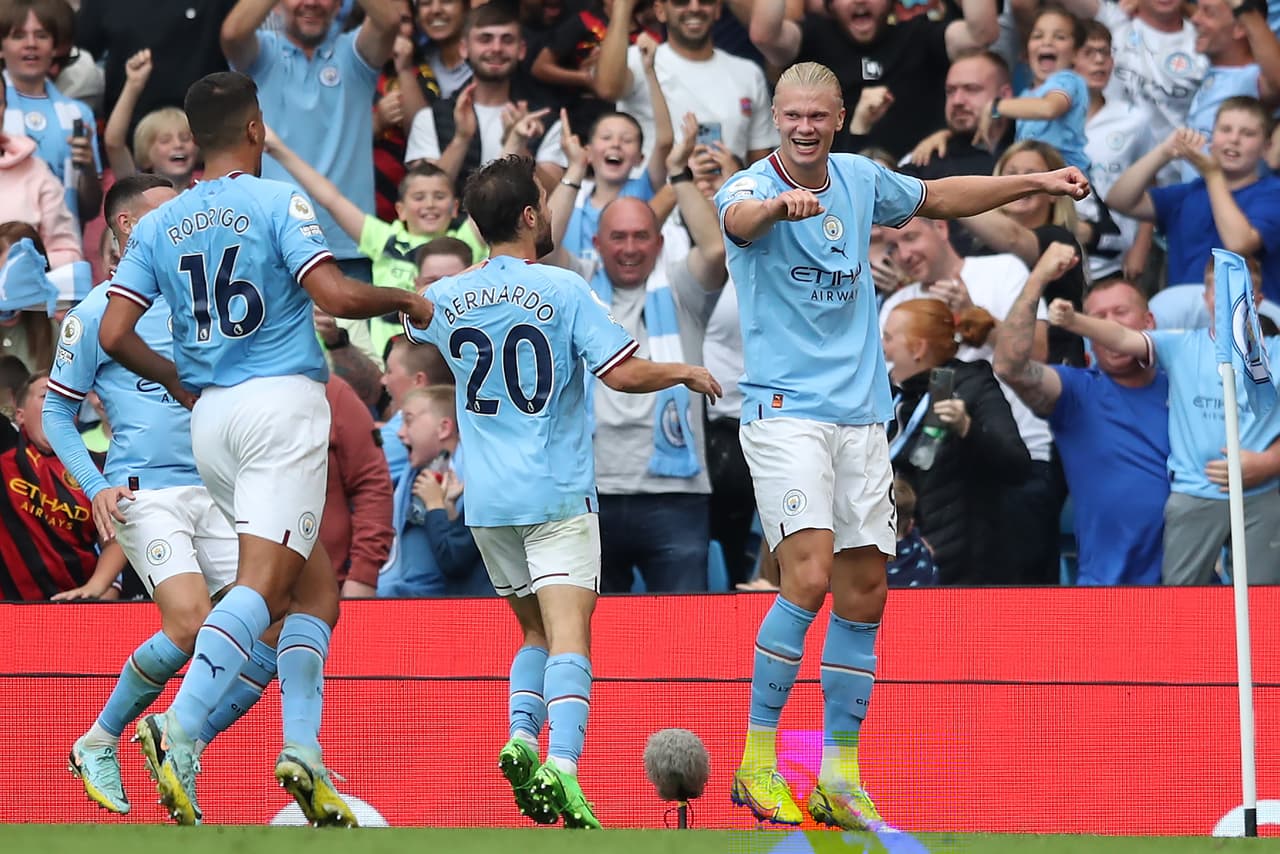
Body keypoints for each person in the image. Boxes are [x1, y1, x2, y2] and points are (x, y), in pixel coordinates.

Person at [714, 61, 1088, 830]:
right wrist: (777, 207)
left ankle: (838, 776)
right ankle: (757, 760)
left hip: (861, 417)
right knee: (807, 575)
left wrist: (1036, 180)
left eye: (818, 115)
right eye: (792, 116)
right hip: (786, 415)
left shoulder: (859, 179)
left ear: (838, 117)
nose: (805, 128)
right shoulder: (749, 187)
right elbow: (742, 222)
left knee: (865, 591)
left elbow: (940, 196)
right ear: (775, 118)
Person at [98, 71, 433, 827]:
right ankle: (179, 725)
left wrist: (177, 378)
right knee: (260, 585)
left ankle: (304, 752)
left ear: (195, 138)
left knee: (313, 594)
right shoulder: (277, 201)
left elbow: (115, 335)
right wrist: (407, 299)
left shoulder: (158, 223)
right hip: (279, 405)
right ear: (255, 129)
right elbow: (336, 297)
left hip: (211, 419)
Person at [401, 154, 720, 829]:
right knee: (571, 633)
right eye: (543, 204)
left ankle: (521, 737)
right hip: (555, 493)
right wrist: (683, 371)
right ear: (527, 215)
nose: (549, 213)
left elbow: (413, 326)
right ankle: (564, 767)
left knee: (533, 631)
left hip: (487, 502)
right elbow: (621, 374)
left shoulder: (448, 295)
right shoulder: (565, 289)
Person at [43, 175, 280, 815]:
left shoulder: (203, 298)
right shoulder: (96, 314)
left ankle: (181, 746)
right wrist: (95, 485)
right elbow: (58, 413)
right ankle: (100, 740)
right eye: (169, 211)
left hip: (219, 489)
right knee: (191, 622)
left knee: (275, 627)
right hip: (146, 493)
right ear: (127, 227)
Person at [1047, 256, 1280, 586]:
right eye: (1219, 290)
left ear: (1257, 299)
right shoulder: (1181, 344)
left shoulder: (1277, 354)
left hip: (1261, 493)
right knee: (1178, 597)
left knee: (1262, 599)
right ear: (1206, 298)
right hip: (1194, 492)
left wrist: (1269, 463)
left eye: (1241, 290)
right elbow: (1122, 337)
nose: (1229, 299)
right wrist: (1075, 321)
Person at [994, 247, 1169, 586]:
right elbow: (1009, 367)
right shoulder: (1076, 391)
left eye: (1120, 312)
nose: (1109, 325)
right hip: (1105, 589)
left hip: (1192, 584)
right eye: (1097, 317)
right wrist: (1038, 278)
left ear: (1149, 322)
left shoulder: (1187, 383)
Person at [221, 0, 402, 281]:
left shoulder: (355, 55)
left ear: (339, 5)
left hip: (348, 247)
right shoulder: (263, 54)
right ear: (277, 6)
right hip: (275, 249)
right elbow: (232, 34)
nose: (311, 3)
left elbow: (389, 20)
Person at [881, 300, 1030, 583]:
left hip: (953, 560)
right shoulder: (884, 390)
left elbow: (1017, 465)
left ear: (918, 348)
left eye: (888, 338)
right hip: (884, 549)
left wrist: (967, 428)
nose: (883, 346)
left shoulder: (972, 386)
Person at [0, 371, 127, 600]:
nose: (55, 405)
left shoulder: (98, 467)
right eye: (46, 396)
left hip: (71, 607)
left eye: (64, 399)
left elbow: (115, 540)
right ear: (20, 415)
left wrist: (95, 589)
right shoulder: (5, 449)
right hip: (10, 607)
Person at [377, 384, 489, 596]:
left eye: (408, 420)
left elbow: (454, 558)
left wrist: (435, 505)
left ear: (444, 428)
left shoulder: (479, 479)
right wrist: (448, 509)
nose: (400, 433)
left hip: (461, 601)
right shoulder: (415, 475)